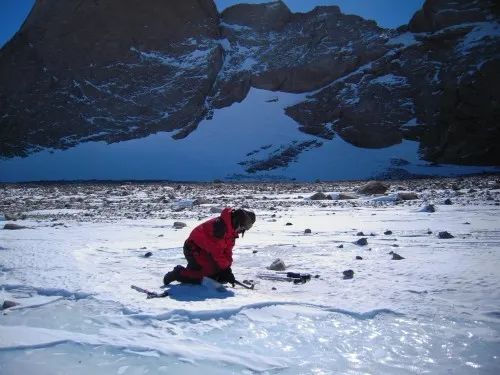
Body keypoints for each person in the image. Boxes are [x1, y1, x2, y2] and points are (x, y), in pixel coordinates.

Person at [163, 207, 256, 286]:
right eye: (242, 227)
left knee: (218, 275)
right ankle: (178, 274)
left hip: (205, 251)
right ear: (237, 221)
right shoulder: (219, 228)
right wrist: (225, 269)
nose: (242, 230)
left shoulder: (231, 230)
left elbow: (227, 251)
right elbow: (217, 252)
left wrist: (227, 269)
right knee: (208, 276)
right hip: (193, 249)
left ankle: (193, 270)